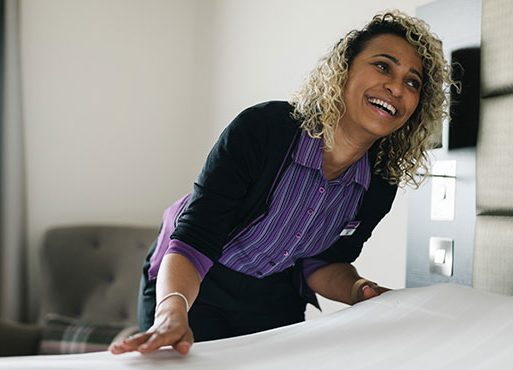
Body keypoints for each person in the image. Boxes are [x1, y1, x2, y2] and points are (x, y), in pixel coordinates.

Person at [111, 10, 454, 356]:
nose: (396, 87)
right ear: (344, 70)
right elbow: (195, 241)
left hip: (275, 292)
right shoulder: (262, 130)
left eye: (412, 82)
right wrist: (172, 311)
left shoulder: (380, 184)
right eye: (383, 66)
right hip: (193, 279)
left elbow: (323, 264)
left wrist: (366, 293)